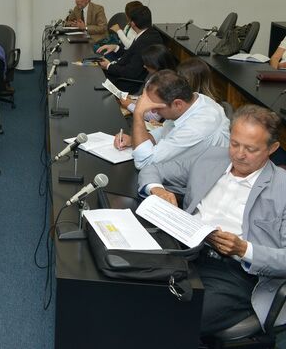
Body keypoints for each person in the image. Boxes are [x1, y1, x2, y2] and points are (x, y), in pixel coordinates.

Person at [138, 105, 286, 336]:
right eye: (234, 143)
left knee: (173, 320)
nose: (239, 154)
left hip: (235, 273)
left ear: (272, 148)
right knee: (131, 293)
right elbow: (154, 169)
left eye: (250, 149)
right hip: (185, 250)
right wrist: (157, 189)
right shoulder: (211, 157)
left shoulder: (282, 188)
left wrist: (244, 249)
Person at [114, 69, 230, 170]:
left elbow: (144, 162)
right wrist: (133, 140)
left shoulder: (195, 128)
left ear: (178, 104)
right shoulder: (196, 100)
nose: (153, 111)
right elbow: (164, 133)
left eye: (156, 107)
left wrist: (138, 113)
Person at [98, 6, 163, 93]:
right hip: (126, 75)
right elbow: (132, 54)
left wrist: (108, 66)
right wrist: (115, 48)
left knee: (95, 76)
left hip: (127, 83)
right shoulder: (150, 33)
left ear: (132, 23)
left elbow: (131, 72)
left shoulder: (143, 41)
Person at [118, 44, 179, 119]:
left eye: (147, 64)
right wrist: (132, 98)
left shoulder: (165, 86)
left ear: (155, 65)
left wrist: (129, 105)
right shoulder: (155, 76)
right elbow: (146, 99)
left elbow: (153, 117)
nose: (144, 66)